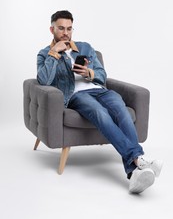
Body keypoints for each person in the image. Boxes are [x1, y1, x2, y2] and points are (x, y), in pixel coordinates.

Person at [37, 10, 163, 194]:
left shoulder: (85, 47)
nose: (65, 33)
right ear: (52, 29)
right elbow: (43, 81)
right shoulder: (44, 54)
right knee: (99, 113)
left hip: (99, 90)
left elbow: (103, 75)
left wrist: (90, 73)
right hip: (75, 96)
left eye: (69, 28)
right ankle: (139, 159)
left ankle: (134, 173)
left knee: (121, 108)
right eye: (61, 28)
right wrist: (54, 54)